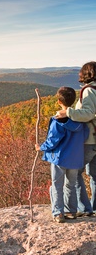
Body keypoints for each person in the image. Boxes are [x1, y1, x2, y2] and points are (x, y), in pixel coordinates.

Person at [36, 86, 89, 223]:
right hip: (75, 159)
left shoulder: (57, 120)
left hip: (59, 158)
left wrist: (41, 147)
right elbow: (85, 136)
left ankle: (58, 213)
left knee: (56, 185)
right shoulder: (80, 119)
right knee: (70, 185)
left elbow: (53, 140)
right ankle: (71, 211)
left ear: (59, 101)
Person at [55, 61, 96, 216]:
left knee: (75, 173)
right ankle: (92, 208)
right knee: (94, 176)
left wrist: (68, 113)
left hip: (90, 140)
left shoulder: (89, 91)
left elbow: (87, 114)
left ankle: (85, 209)